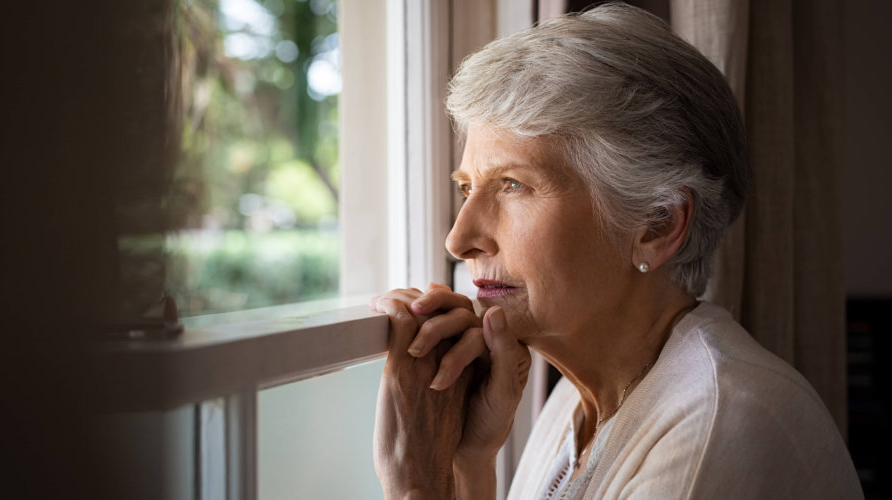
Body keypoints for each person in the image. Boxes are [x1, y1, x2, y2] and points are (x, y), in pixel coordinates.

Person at [368, 3, 862, 499]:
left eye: (513, 185)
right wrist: (469, 464)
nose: (458, 240)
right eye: (466, 187)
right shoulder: (575, 403)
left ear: (657, 224)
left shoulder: (718, 425)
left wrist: (416, 486)